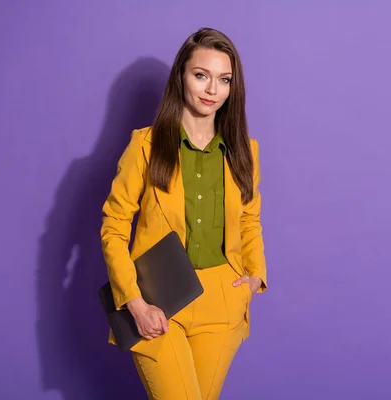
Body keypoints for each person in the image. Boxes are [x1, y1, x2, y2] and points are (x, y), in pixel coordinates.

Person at [100, 27, 267, 400]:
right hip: (157, 298)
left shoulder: (245, 151)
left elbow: (249, 219)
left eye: (224, 79)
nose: (212, 90)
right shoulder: (145, 145)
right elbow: (113, 224)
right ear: (181, 77)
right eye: (201, 75)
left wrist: (255, 276)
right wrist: (134, 301)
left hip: (222, 300)